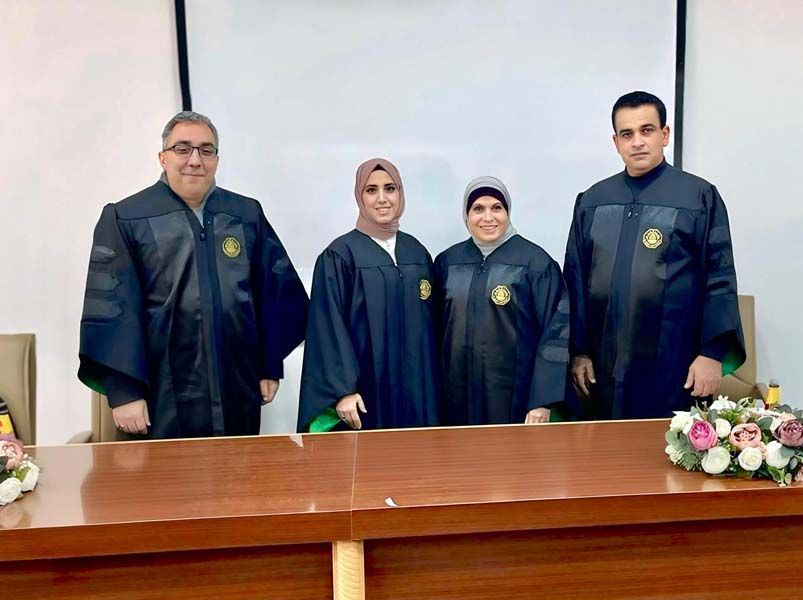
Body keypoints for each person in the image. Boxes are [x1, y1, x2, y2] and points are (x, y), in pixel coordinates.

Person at [78, 111, 308, 438]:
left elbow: (273, 293)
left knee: (239, 467)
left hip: (237, 386)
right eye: (182, 149)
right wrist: (125, 391)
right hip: (161, 391)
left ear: (216, 159)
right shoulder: (127, 217)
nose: (195, 160)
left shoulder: (245, 214)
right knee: (167, 472)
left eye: (206, 150)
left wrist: (268, 364)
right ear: (163, 157)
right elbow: (114, 310)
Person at [563, 91, 745, 420]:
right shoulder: (592, 201)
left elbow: (719, 277)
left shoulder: (698, 197)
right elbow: (575, 280)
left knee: (666, 448)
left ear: (665, 134)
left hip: (674, 363)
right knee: (603, 448)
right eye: (627, 134)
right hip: (602, 367)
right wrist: (578, 352)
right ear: (616, 142)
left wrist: (712, 353)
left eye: (646, 130)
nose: (637, 142)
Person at [297, 158, 439, 431]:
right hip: (364, 396)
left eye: (390, 188)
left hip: (417, 392)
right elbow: (327, 328)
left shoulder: (417, 253)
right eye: (371, 190)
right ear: (359, 196)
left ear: (400, 193)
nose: (382, 198)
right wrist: (343, 391)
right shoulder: (340, 255)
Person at [434, 176, 569, 425]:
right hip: (456, 394)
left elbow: (555, 334)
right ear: (466, 215)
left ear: (507, 212)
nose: (488, 217)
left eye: (497, 208)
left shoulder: (536, 263)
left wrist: (542, 400)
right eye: (478, 209)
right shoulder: (448, 262)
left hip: (514, 396)